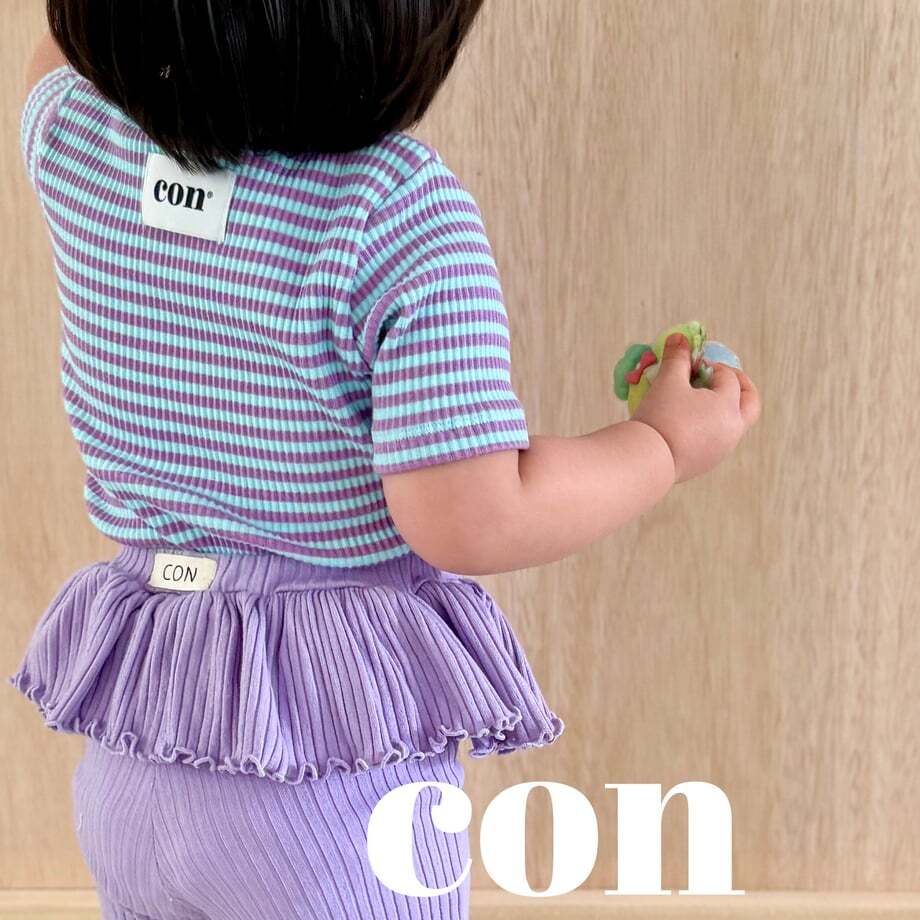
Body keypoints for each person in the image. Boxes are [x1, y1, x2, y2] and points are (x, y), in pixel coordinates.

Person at [9, 2, 761, 918]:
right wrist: (660, 445)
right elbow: (473, 516)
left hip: (142, 739)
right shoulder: (394, 213)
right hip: (321, 771)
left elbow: (56, 47)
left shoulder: (79, 138)